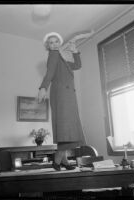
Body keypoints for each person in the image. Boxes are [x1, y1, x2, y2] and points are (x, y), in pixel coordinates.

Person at [38, 31, 94, 171]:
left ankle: (65, 161)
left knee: (66, 129)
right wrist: (43, 88)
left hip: (67, 96)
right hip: (61, 96)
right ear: (48, 46)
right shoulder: (53, 55)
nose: (54, 44)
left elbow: (77, 65)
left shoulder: (61, 59)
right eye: (51, 42)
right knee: (66, 128)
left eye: (56, 41)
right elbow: (49, 73)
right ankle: (57, 161)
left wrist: (75, 51)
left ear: (59, 42)